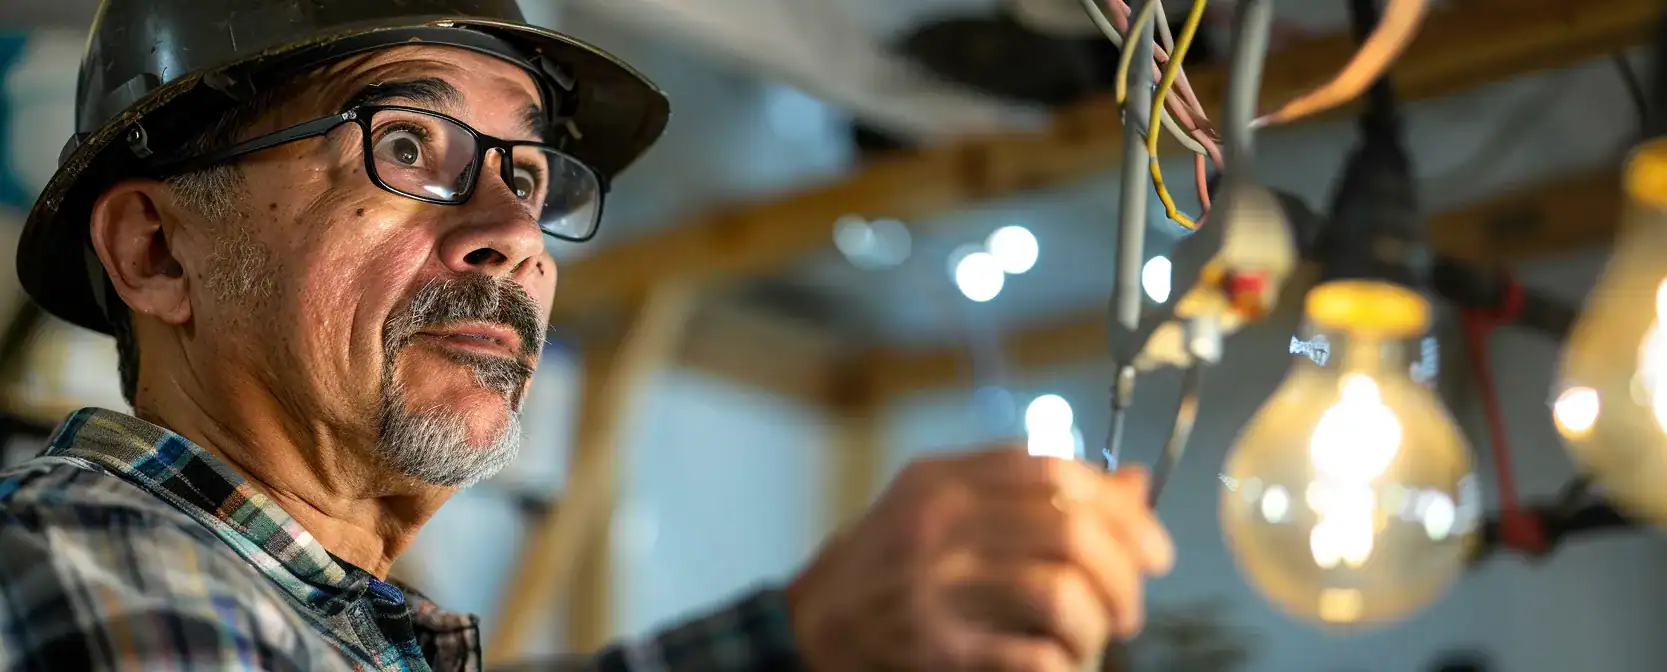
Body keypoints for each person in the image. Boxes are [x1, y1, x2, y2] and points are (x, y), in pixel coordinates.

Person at [0, 1, 1174, 670]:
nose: (514, 232)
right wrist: (798, 645)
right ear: (156, 251)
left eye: (529, 169)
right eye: (407, 144)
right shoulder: (83, 560)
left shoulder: (336, 633)